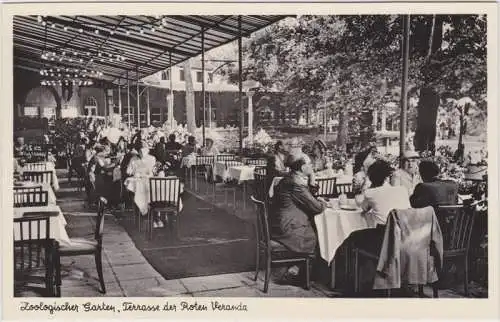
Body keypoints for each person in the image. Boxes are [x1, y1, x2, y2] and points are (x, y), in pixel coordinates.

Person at [270, 151, 329, 283]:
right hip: (289, 227)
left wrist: (312, 179)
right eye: (309, 164)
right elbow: (317, 208)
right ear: (302, 168)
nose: (312, 166)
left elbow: (307, 197)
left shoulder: (289, 178)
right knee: (318, 235)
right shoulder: (295, 183)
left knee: (314, 228)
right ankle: (300, 274)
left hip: (280, 223)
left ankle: (298, 269)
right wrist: (323, 203)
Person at [358, 160, 411, 227]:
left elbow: (364, 208)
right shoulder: (403, 190)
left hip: (384, 234)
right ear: (388, 177)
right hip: (405, 231)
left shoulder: (370, 193)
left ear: (371, 178)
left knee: (354, 235)